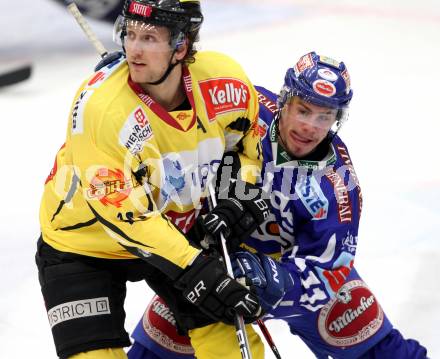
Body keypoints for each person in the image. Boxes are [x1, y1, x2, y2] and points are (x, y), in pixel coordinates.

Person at [126, 52, 429, 358]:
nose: (310, 126)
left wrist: (276, 281)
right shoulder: (248, 105)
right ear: (285, 100)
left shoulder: (337, 186)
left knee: (380, 349)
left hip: (288, 277)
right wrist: (141, 74)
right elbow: (185, 98)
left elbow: (329, 268)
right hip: (214, 258)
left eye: (324, 116)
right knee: (154, 349)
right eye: (303, 110)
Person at [35, 1, 273, 358]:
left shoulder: (225, 82)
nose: (133, 48)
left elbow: (247, 148)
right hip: (82, 244)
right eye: (129, 34)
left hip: (172, 223)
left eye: (148, 37)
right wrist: (194, 267)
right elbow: (126, 218)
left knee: (233, 344)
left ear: (181, 46)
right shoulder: (101, 110)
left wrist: (236, 195)